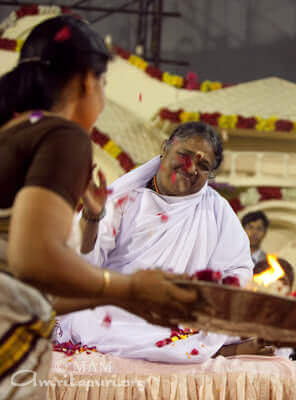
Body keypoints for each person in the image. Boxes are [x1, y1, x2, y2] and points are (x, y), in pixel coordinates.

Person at [0, 16, 196, 398]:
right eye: (104, 84)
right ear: (88, 80)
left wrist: (121, 296)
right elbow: (33, 260)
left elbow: (33, 286)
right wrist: (132, 285)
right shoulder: (62, 133)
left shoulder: (13, 133)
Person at [57, 121, 268, 363]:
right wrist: (92, 216)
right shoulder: (125, 198)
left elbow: (237, 269)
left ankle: (207, 346)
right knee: (94, 317)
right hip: (121, 307)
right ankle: (213, 351)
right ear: (165, 147)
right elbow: (85, 262)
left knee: (243, 321)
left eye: (203, 165)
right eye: (185, 155)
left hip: (184, 313)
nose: (191, 168)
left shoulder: (217, 210)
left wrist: (201, 299)